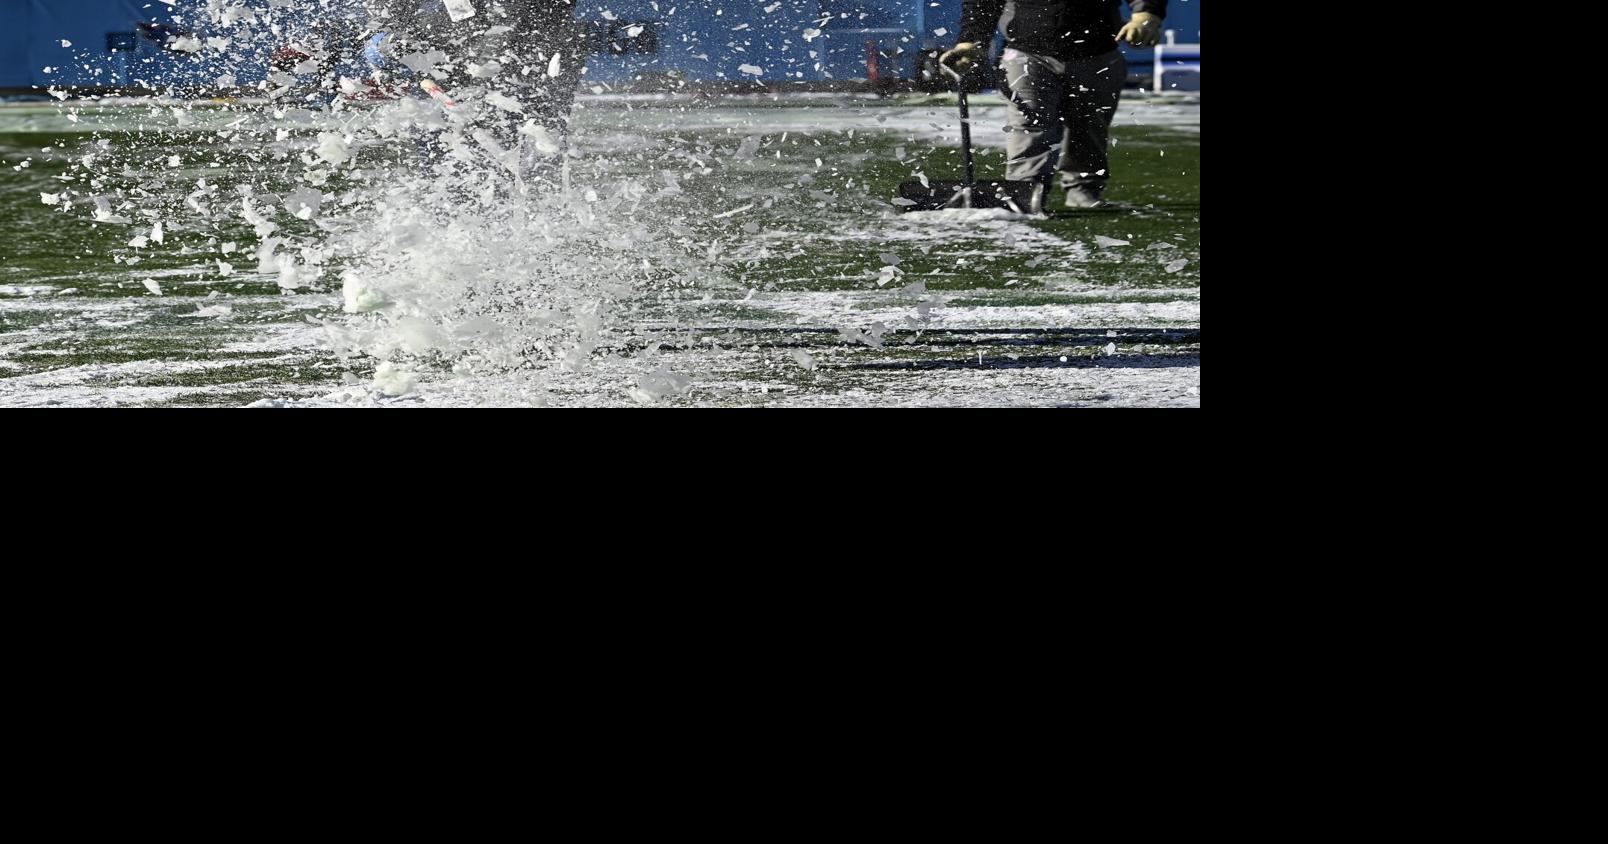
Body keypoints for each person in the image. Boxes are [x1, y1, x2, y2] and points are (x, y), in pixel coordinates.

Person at [941, 1, 1167, 210]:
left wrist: (1146, 14)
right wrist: (970, 41)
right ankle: (1025, 193)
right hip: (1026, 51)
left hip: (1097, 50)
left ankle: (1083, 188)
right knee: (1030, 123)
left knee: (1090, 124)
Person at [364, 1, 586, 177]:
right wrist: (385, 40)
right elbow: (384, 20)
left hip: (532, 49)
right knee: (454, 163)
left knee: (537, 153)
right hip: (458, 55)